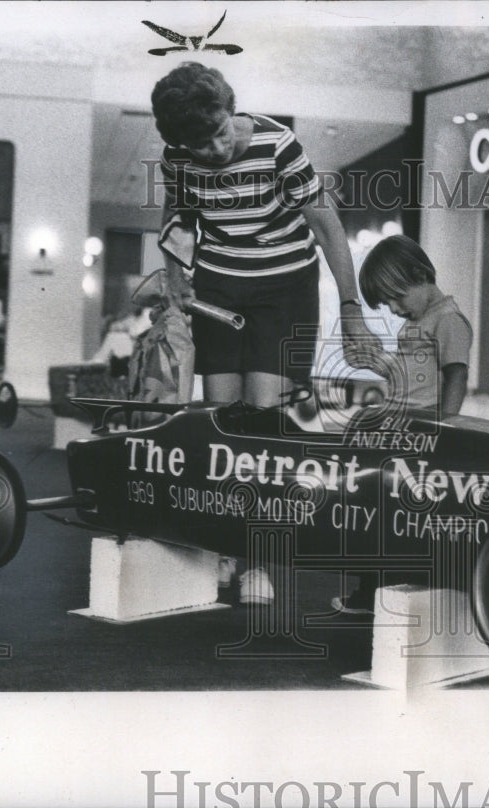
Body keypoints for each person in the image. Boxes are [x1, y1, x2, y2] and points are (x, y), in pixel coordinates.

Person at [151, 62, 378, 606]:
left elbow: (325, 225)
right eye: (199, 144)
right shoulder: (178, 157)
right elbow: (180, 215)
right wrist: (176, 273)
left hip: (285, 289)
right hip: (219, 288)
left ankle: (260, 559)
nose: (214, 150)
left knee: (267, 426)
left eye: (220, 132)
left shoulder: (279, 145)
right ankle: (226, 546)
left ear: (231, 111)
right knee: (221, 423)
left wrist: (351, 307)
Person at [332, 234, 473, 614]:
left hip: (422, 438)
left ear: (421, 274)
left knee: (395, 515)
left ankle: (380, 586)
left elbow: (455, 377)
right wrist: (370, 360)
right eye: (387, 302)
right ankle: (372, 585)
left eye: (397, 297)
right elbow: (407, 378)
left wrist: (445, 432)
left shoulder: (448, 321)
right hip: (399, 432)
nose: (394, 309)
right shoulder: (419, 322)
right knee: (376, 510)